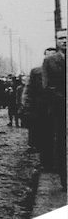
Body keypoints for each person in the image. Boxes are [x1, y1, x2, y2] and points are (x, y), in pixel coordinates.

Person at [21, 48, 58, 169]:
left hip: (59, 107)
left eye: (53, 56)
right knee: (46, 136)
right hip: (42, 109)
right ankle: (47, 163)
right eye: (48, 56)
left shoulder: (62, 70)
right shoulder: (36, 72)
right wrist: (26, 106)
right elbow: (28, 90)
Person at [42, 29, 66, 190]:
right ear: (56, 41)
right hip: (60, 108)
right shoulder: (49, 61)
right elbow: (46, 86)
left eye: (67, 38)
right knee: (62, 143)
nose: (65, 41)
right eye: (61, 38)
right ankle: (65, 179)